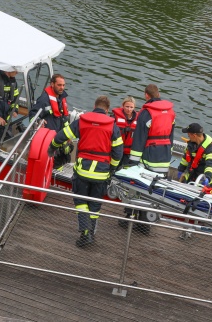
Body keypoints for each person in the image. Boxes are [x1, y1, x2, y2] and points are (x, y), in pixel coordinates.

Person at [48, 95, 123, 247]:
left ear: (94, 106)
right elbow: (118, 152)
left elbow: (62, 136)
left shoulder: (82, 121)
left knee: (81, 201)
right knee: (94, 204)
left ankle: (85, 233)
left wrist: (52, 147)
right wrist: (112, 169)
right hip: (101, 173)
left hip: (82, 170)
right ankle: (92, 232)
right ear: (107, 110)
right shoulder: (113, 127)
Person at [128, 84, 176, 175]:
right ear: (159, 94)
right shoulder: (171, 112)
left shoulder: (146, 113)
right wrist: (169, 153)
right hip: (165, 158)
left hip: (149, 158)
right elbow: (171, 136)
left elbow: (139, 139)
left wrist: (133, 162)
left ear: (146, 95)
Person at [29, 74, 72, 167]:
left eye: (63, 85)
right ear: (52, 84)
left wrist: (68, 137)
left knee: (66, 156)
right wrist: (39, 121)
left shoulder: (61, 99)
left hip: (60, 137)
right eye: (59, 85)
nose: (62, 88)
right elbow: (33, 114)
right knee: (53, 163)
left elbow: (64, 119)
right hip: (49, 139)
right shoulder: (44, 99)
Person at [112, 96, 137, 168]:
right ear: (123, 106)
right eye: (127, 106)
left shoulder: (138, 119)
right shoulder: (115, 116)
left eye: (131, 107)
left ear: (134, 107)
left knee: (124, 169)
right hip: (116, 149)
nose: (129, 109)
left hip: (129, 151)